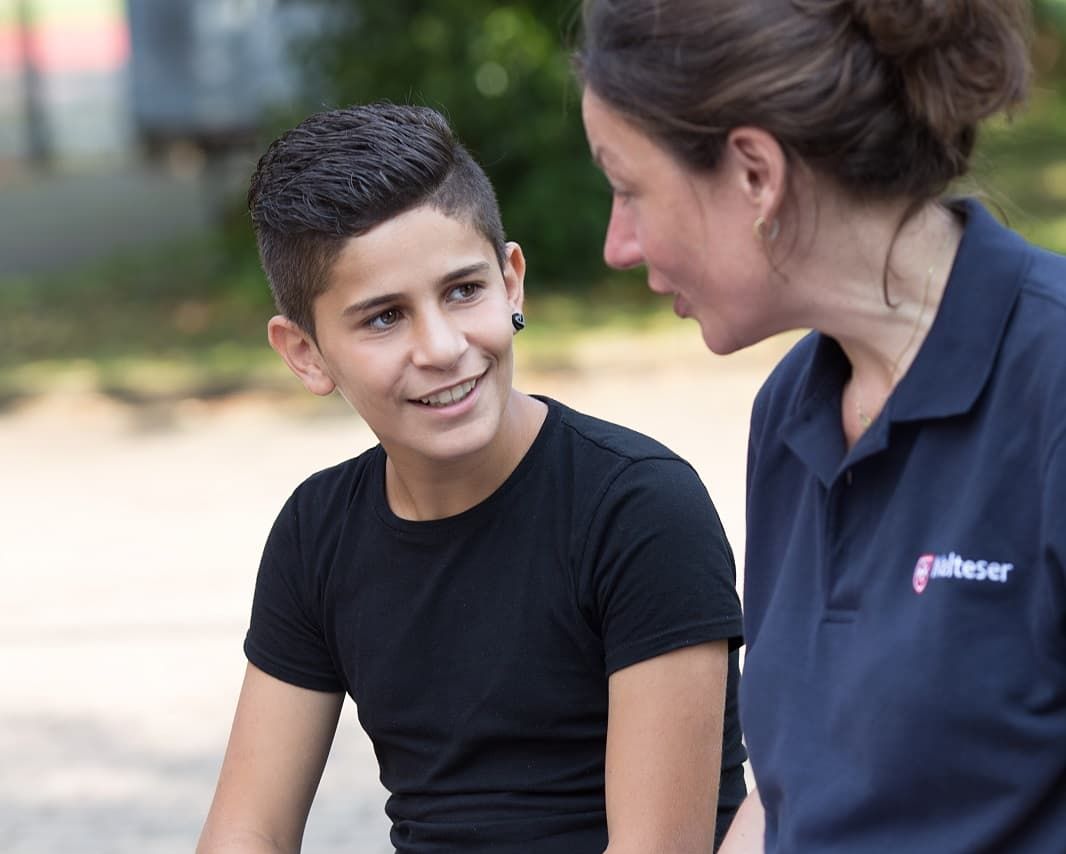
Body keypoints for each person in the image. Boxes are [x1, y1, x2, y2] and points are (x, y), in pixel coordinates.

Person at [576, 1, 1066, 852]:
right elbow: (792, 788)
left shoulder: (1051, 385)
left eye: (630, 189)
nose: (618, 243)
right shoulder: (792, 408)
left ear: (755, 174)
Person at [196, 102, 747, 854]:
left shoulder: (640, 508)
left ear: (511, 283)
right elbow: (245, 833)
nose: (442, 346)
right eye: (384, 317)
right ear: (305, 353)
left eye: (463, 291)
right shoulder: (317, 531)